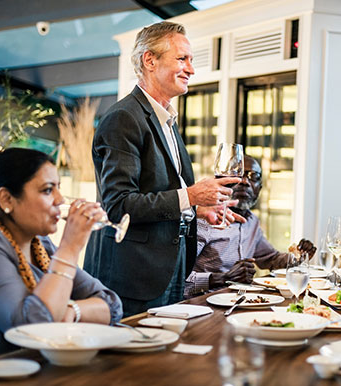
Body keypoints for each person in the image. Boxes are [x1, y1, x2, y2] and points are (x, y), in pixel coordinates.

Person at [84, 21, 242, 316]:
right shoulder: (124, 118)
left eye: (191, 60)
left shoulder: (167, 120)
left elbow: (160, 191)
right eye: (182, 59)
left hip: (171, 267)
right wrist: (192, 197)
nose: (191, 69)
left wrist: (197, 209)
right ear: (150, 60)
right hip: (133, 275)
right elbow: (119, 205)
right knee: (131, 361)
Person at [0, 148, 122, 356]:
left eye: (58, 188)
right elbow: (32, 328)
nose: (60, 199)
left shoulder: (40, 243)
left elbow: (111, 304)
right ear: (6, 199)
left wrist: (71, 311)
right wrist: (69, 248)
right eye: (47, 190)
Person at [184, 156, 317, 296]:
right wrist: (222, 278)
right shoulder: (204, 220)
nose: (245, 182)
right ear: (222, 182)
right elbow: (176, 279)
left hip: (239, 302)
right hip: (202, 306)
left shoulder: (252, 222)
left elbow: (271, 259)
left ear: (260, 188)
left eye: (253, 176)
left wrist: (299, 256)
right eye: (238, 175)